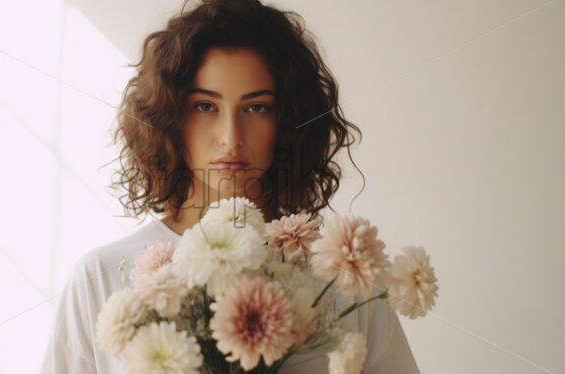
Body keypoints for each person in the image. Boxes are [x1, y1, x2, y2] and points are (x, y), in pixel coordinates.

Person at [40, 0, 420, 372]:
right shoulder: (99, 279)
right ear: (170, 118)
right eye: (205, 106)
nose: (231, 137)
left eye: (256, 108)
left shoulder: (346, 281)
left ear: (288, 122)